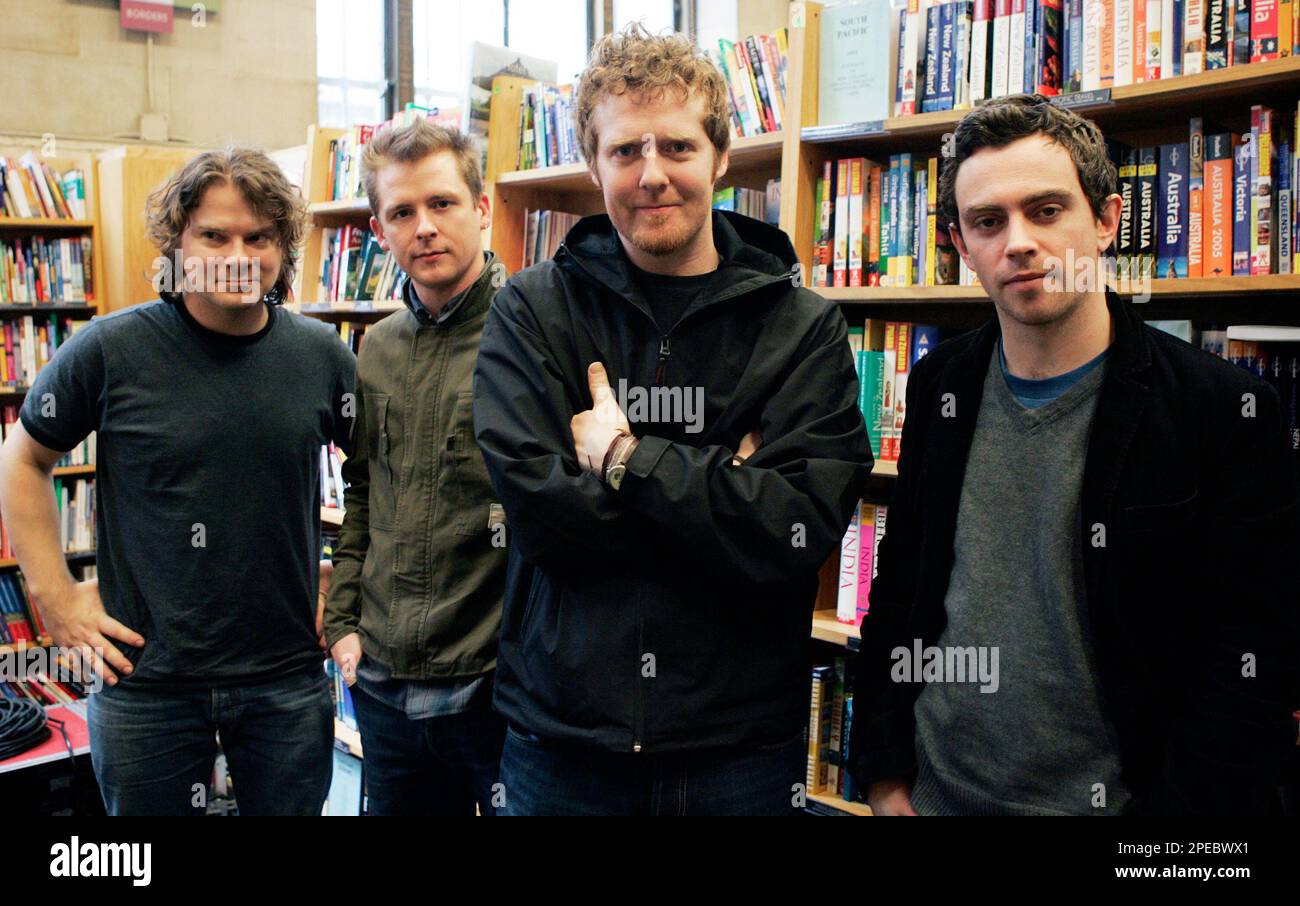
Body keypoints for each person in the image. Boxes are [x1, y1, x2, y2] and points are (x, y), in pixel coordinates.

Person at [851, 94, 1300, 816]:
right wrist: (883, 778)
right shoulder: (941, 384)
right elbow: (898, 595)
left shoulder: (1218, 411)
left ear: (1107, 222)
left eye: (1047, 210)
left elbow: (1251, 667)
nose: (1018, 242)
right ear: (962, 247)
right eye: (988, 222)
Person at [472, 24, 873, 816]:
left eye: (678, 147)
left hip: (740, 753)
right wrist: (723, 482)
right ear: (594, 165)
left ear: (721, 157)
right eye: (625, 152)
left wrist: (623, 459)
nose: (652, 175)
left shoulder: (801, 326)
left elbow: (798, 526)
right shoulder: (532, 309)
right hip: (564, 744)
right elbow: (542, 515)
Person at [0, 149, 355, 815]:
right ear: (177, 243)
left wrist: (347, 570)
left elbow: (379, 474)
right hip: (145, 682)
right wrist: (54, 595)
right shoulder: (109, 350)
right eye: (213, 235)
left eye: (259, 236)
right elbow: (21, 458)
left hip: (285, 679)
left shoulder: (321, 357)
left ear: (283, 247)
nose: (238, 254)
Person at [322, 120, 508, 815]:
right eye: (402, 212)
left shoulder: (533, 332)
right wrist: (343, 622)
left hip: (493, 690)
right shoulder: (376, 349)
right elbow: (363, 488)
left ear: (481, 208)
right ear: (379, 230)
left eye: (442, 204)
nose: (423, 227)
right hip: (384, 686)